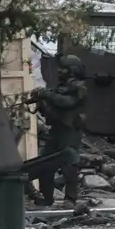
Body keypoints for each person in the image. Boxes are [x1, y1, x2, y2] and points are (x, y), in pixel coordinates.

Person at [30, 54, 89, 207]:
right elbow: (52, 108)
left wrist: (45, 94)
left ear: (72, 71)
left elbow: (66, 102)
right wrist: (42, 104)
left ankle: (70, 198)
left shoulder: (79, 88)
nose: (60, 71)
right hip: (56, 130)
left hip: (70, 132)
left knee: (69, 164)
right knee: (45, 164)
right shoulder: (58, 89)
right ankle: (47, 198)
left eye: (63, 69)